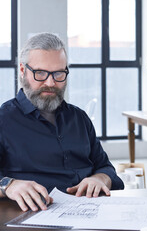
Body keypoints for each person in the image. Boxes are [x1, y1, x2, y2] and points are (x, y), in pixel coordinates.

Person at [0, 33, 123, 212]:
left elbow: (104, 166)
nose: (50, 83)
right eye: (40, 73)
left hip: (89, 212)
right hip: (31, 216)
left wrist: (100, 178)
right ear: (22, 70)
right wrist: (8, 185)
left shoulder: (80, 118)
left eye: (58, 73)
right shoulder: (4, 120)